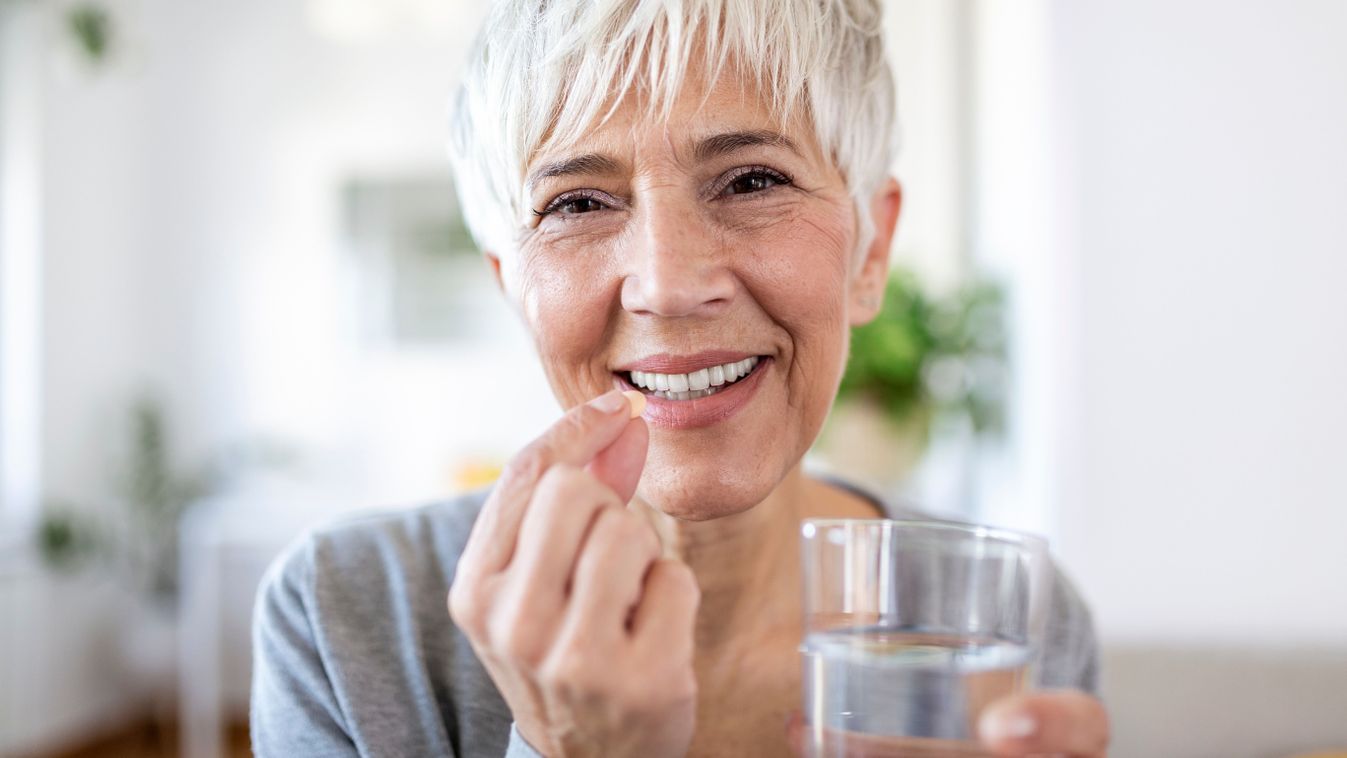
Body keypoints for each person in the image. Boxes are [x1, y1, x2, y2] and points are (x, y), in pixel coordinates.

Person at [250, 0, 1110, 755]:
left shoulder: (1006, 622)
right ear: (512, 282)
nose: (665, 282)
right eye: (577, 203)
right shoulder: (342, 617)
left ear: (870, 250)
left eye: (752, 180)